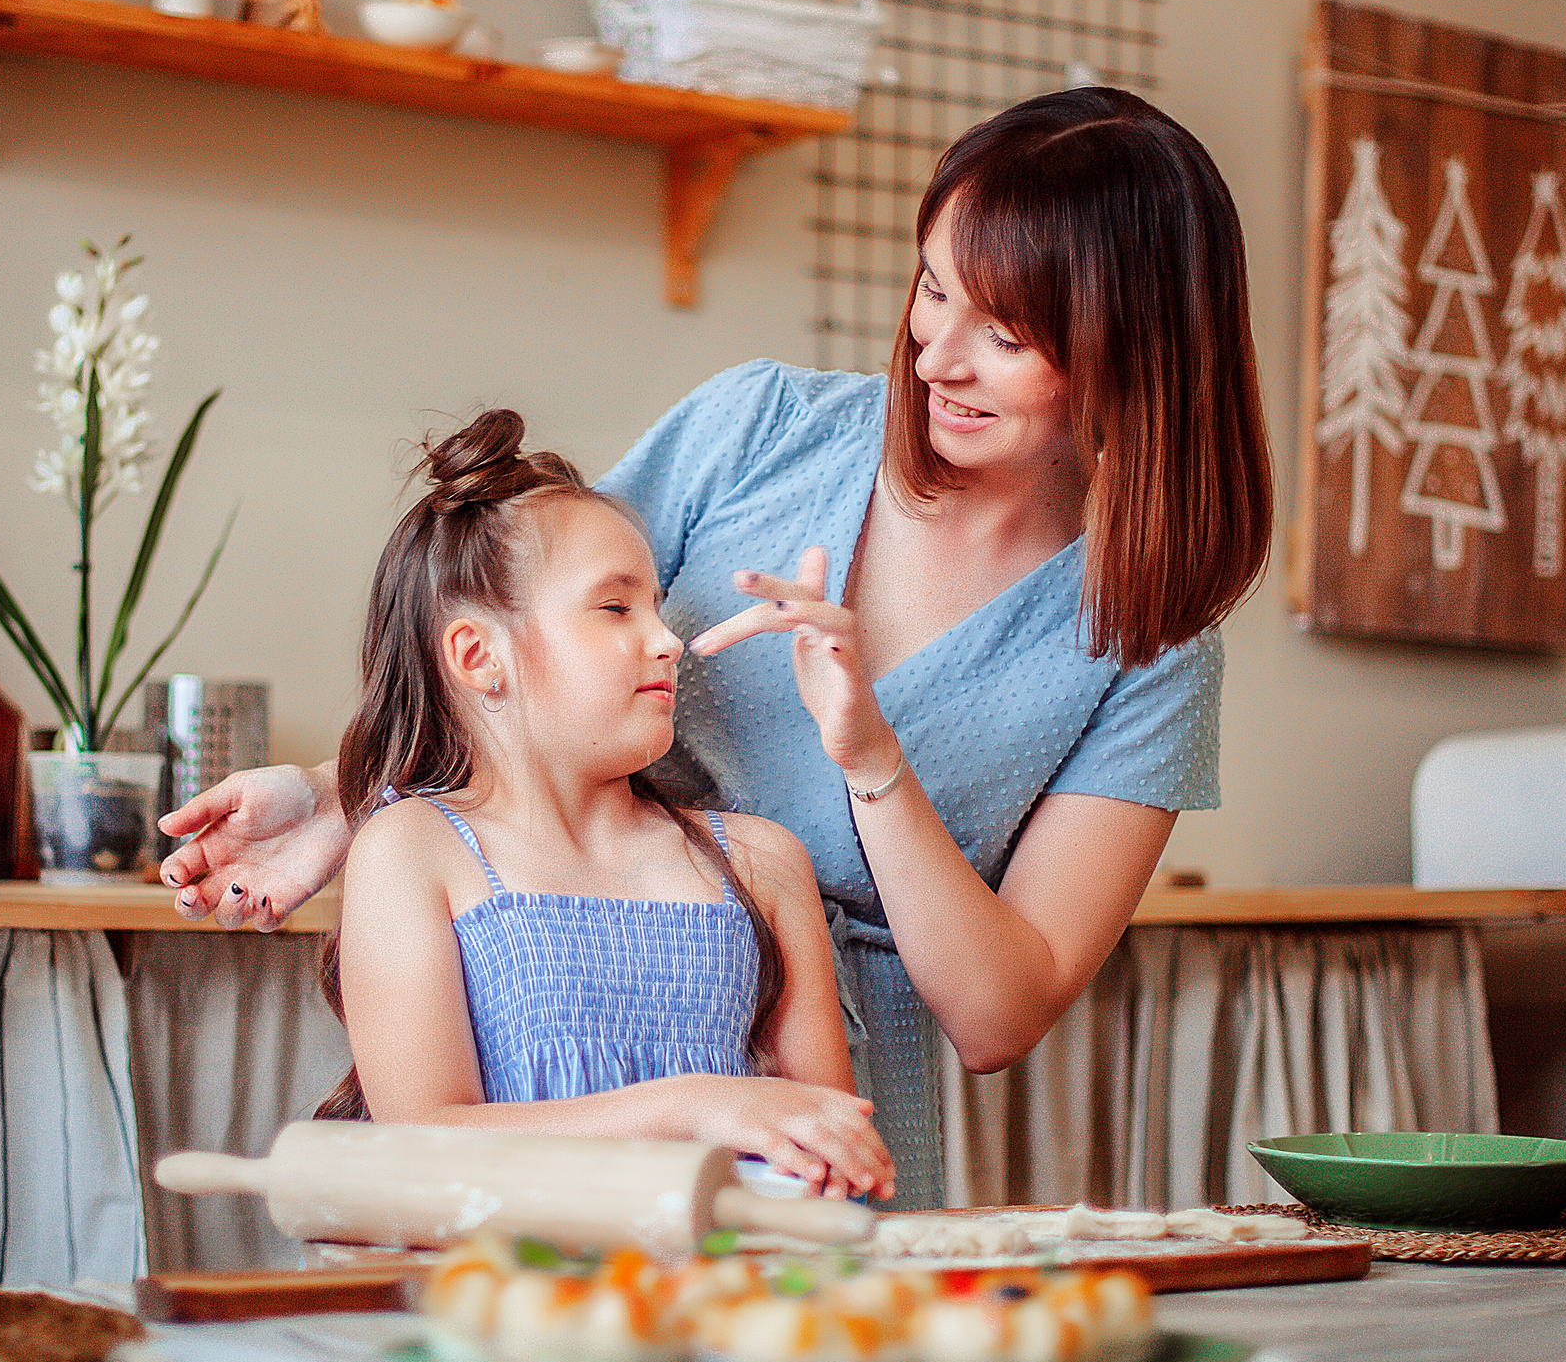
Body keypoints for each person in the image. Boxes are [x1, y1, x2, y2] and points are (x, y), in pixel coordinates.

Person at [161, 87, 1272, 1208]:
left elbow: (1000, 1015)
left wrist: (872, 761)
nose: (936, 357)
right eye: (933, 288)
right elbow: (523, 636)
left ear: (1134, 354)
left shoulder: (1153, 643)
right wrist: (339, 796)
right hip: (547, 1085)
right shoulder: (758, 429)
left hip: (814, 1138)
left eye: (1005, 333)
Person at [314, 408, 895, 1200]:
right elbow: (421, 1143)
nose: (668, 640)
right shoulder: (413, 849)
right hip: (502, 1277)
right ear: (478, 655)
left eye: (657, 605)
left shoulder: (761, 863)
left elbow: (831, 1151)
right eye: (617, 608)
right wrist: (691, 1106)